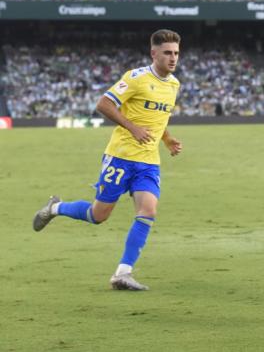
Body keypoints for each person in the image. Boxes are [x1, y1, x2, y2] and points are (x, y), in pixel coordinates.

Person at [32, 29, 183, 291]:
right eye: (168, 53)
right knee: (98, 215)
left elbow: (160, 118)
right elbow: (103, 104)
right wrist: (132, 127)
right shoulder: (135, 78)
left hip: (148, 161)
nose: (173, 58)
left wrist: (166, 139)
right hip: (120, 157)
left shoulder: (174, 84)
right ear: (154, 53)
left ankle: (122, 274)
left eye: (176, 53)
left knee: (148, 211)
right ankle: (55, 208)